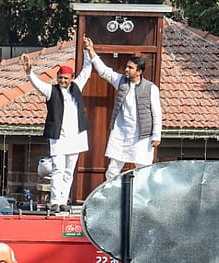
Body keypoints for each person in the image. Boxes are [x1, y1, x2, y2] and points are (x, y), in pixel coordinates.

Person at [22, 43, 93, 212]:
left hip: (76, 137)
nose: (63, 81)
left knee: (69, 171)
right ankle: (54, 201)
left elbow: (87, 69)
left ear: (71, 78)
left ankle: (63, 200)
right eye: (60, 78)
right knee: (58, 170)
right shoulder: (51, 90)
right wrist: (29, 72)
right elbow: (37, 84)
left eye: (66, 78)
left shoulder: (77, 86)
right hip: (58, 137)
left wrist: (87, 50)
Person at [85, 37, 163, 180]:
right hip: (121, 133)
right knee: (112, 171)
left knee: (143, 170)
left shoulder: (151, 88)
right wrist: (91, 50)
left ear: (139, 71)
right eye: (127, 67)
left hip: (142, 135)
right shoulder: (121, 81)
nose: (126, 69)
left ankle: (141, 194)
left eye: (130, 68)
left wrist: (156, 135)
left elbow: (156, 113)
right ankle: (112, 193)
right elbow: (104, 72)